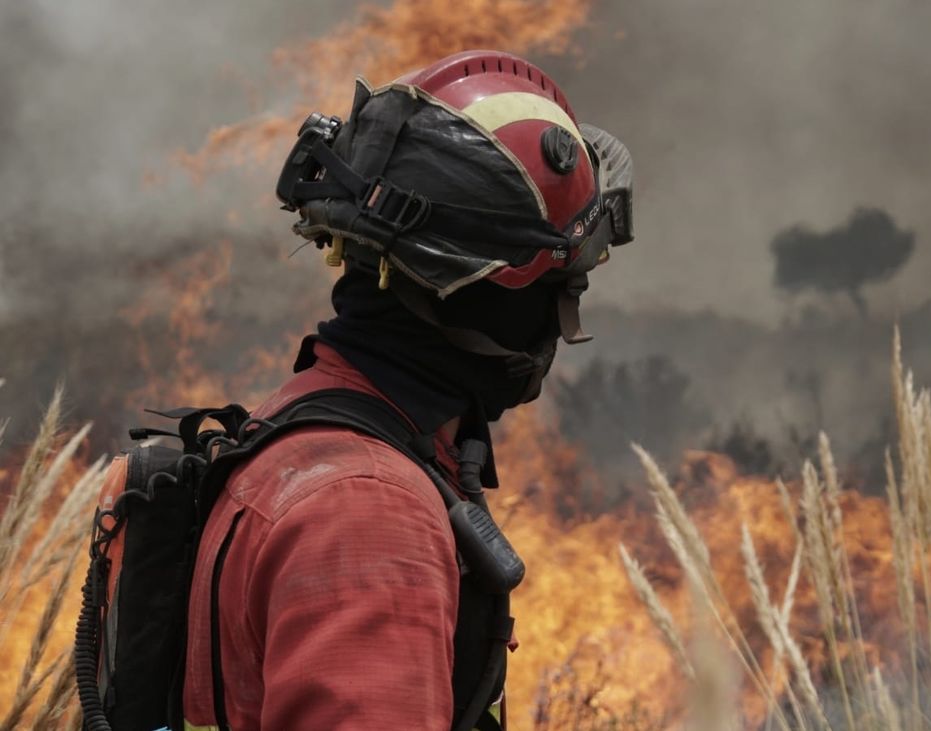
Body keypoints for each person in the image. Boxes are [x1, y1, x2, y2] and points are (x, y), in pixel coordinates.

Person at [180, 49, 633, 731]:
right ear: (489, 288)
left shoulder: (300, 438)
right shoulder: (367, 516)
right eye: (561, 285)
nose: (561, 322)